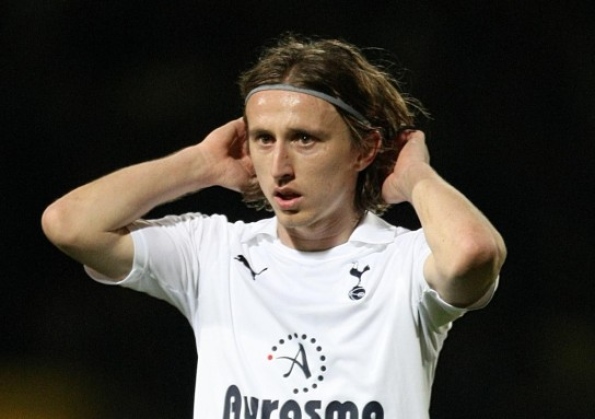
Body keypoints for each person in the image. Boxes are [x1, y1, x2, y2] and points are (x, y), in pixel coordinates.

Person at [42, 34, 506, 418]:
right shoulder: (214, 252)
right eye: (264, 139)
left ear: (365, 150)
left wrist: (416, 176)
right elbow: (70, 224)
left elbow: (473, 253)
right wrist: (199, 163)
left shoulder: (404, 263)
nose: (279, 167)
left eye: (304, 139)